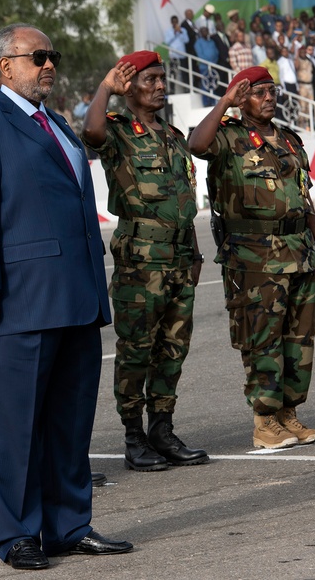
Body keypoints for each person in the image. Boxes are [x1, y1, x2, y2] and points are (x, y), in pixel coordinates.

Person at [0, 23, 132, 570]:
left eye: (52, 56)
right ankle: (18, 534)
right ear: (6, 67)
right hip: (17, 303)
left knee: (70, 424)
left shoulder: (58, 124)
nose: (48, 65)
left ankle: (70, 526)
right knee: (17, 429)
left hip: (74, 296)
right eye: (36, 57)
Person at [80, 50, 209, 473]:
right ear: (129, 85)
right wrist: (105, 88)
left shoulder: (172, 136)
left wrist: (193, 251)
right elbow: (91, 133)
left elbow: (183, 200)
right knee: (137, 350)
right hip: (141, 260)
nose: (159, 86)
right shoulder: (118, 131)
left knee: (173, 349)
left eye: (161, 79)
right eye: (149, 79)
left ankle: (162, 429)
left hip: (177, 258)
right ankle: (134, 437)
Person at [188, 66, 315, 450]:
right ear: (242, 97)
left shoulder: (289, 139)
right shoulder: (229, 136)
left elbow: (304, 193)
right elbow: (197, 146)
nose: (268, 98)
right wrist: (224, 103)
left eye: (272, 91)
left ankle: (288, 414)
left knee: (300, 338)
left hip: (299, 251)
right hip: (253, 256)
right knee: (262, 337)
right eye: (259, 92)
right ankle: (265, 421)